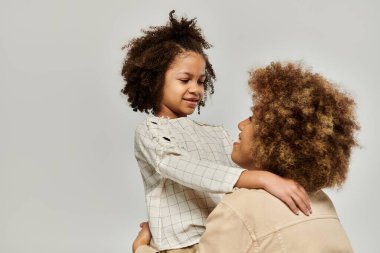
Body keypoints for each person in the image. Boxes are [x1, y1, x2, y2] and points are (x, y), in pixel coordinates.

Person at [122, 11, 311, 253]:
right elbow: (180, 167)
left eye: (201, 81)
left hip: (224, 237)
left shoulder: (216, 134)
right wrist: (262, 179)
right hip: (183, 244)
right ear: (155, 80)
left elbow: (236, 177)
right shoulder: (151, 131)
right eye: (184, 80)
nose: (195, 89)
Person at [133, 62, 359, 253]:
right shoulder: (320, 201)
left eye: (252, 119)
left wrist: (141, 247)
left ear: (274, 135)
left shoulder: (239, 208)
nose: (240, 124)